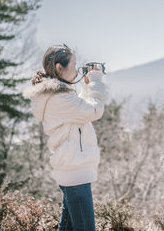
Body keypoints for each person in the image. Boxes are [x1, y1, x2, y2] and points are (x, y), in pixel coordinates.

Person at [22, 44, 108, 230]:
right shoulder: (59, 99)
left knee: (67, 227)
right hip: (75, 173)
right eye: (74, 64)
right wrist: (95, 81)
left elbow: (80, 112)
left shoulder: (58, 95)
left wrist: (85, 88)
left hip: (71, 169)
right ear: (60, 68)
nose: (77, 70)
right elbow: (94, 110)